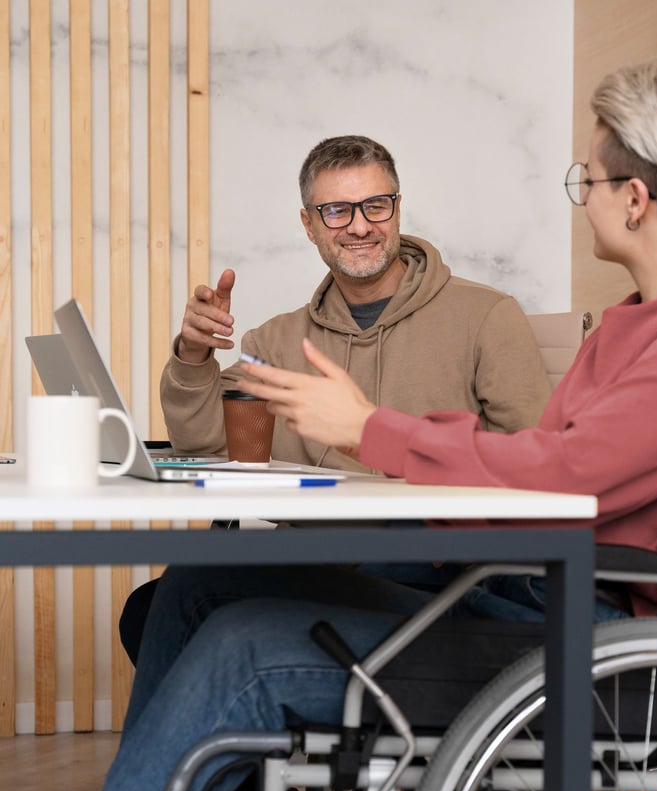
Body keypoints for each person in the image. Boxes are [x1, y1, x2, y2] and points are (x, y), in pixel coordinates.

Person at [0, 59, 657, 791]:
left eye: (591, 180)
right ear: (308, 222)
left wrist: (371, 430)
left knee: (245, 643)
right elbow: (548, 465)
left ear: (637, 199)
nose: (585, 199)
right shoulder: (639, 328)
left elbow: (559, 479)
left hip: (559, 623)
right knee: (201, 585)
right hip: (509, 579)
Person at [118, 132, 551, 662]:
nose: (361, 225)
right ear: (308, 224)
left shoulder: (485, 316)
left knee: (206, 599)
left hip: (424, 560)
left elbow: (535, 463)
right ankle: (228, 743)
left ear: (397, 208)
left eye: (376, 205)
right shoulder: (276, 340)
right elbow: (205, 442)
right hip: (310, 554)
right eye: (337, 211)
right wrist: (192, 355)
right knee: (151, 606)